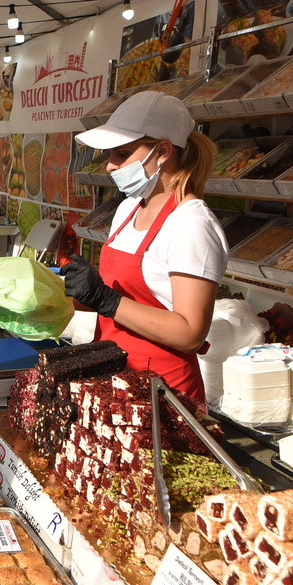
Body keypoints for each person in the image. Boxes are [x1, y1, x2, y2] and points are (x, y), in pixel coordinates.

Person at [62, 91, 227, 403]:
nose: (110, 166)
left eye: (122, 154)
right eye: (110, 155)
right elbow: (121, 302)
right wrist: (67, 294)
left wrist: (106, 299)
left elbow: (190, 333)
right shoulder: (129, 208)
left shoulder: (192, 224)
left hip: (163, 394)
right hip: (113, 376)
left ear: (162, 151)